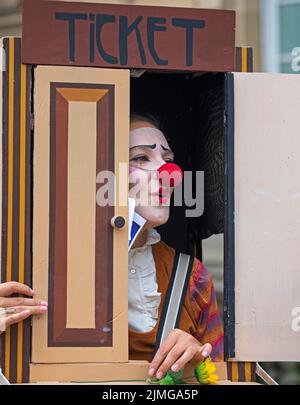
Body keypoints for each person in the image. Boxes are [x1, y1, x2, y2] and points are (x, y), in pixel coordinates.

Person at [128, 114, 224, 381]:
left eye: (168, 161)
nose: (170, 175)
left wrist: (197, 359)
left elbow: (220, 377)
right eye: (141, 158)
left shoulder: (195, 277)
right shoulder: (58, 272)